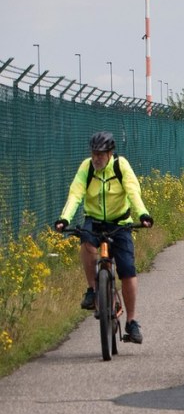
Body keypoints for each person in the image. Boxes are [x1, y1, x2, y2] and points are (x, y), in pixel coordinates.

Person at [54, 132, 154, 344]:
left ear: (110, 153)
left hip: (120, 222)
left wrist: (143, 214)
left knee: (127, 270)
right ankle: (92, 289)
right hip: (95, 219)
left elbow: (133, 191)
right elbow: (75, 194)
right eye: (94, 153)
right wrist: (64, 218)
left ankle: (132, 322)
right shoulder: (87, 167)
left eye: (101, 154)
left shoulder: (121, 166)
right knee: (87, 242)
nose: (97, 158)